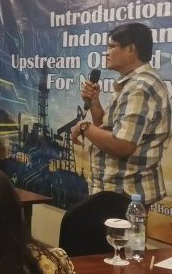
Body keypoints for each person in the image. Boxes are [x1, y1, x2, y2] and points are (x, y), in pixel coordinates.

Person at [72, 23, 171, 204]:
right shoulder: (131, 83)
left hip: (124, 193)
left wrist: (84, 127)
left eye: (111, 47)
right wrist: (94, 103)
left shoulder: (140, 87)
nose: (106, 53)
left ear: (131, 49)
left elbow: (122, 145)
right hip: (115, 190)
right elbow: (109, 130)